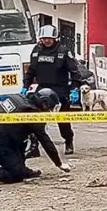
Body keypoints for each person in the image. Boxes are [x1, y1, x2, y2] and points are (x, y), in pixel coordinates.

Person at [0, 88, 71, 186]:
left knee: (24, 138)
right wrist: (59, 163)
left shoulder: (20, 98)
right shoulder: (32, 113)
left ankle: (22, 168)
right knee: (15, 175)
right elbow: (45, 140)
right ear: (44, 103)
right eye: (50, 107)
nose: (50, 111)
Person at [23, 25, 82, 156]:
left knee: (63, 121)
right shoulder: (36, 51)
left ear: (55, 38)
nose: (47, 41)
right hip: (42, 90)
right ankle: (34, 147)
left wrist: (74, 89)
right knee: (35, 121)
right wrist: (25, 86)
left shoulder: (63, 51)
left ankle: (68, 142)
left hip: (60, 90)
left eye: (49, 39)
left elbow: (75, 72)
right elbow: (31, 71)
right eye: (44, 39)